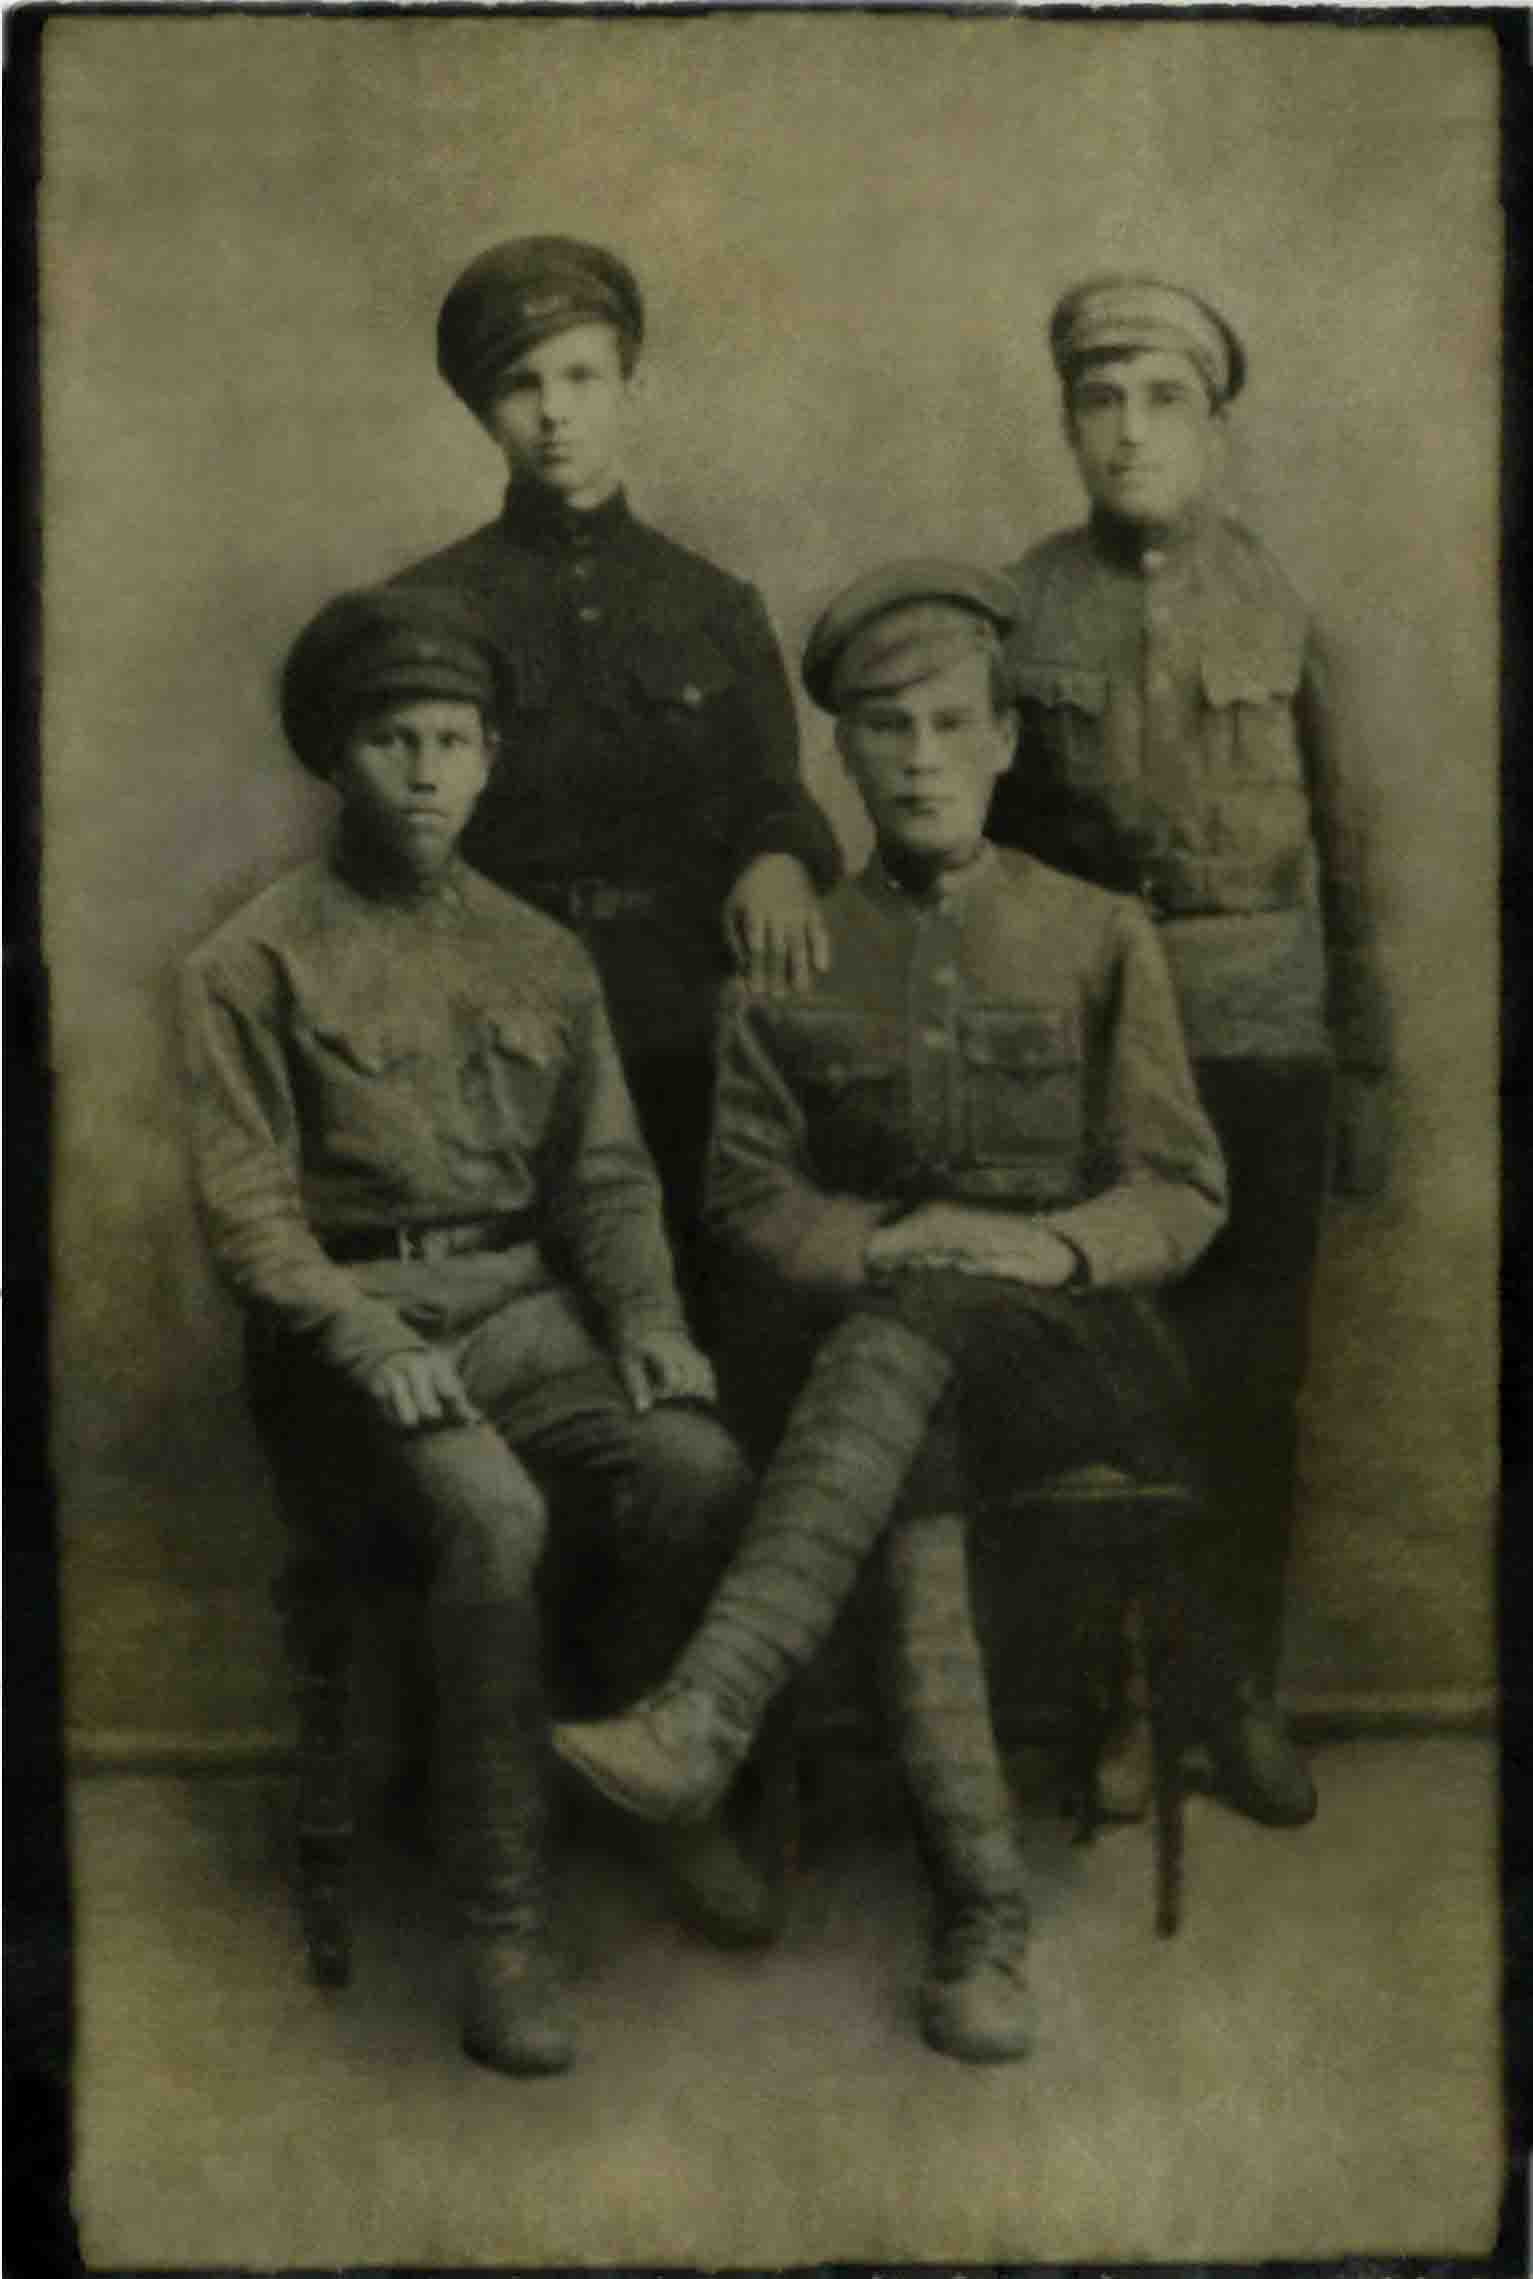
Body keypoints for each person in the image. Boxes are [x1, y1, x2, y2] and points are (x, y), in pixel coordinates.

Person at [553, 562, 1231, 2065]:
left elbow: (1182, 1188)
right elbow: (745, 1192)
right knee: (904, 1455)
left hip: (1075, 1351)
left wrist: (1042, 1249)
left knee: (899, 1347)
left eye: (950, 724)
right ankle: (982, 1923)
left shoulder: (1097, 930)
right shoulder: (790, 953)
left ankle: (706, 1708)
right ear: (842, 756)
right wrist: (885, 1241)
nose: (921, 758)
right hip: (887, 1372)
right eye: (884, 728)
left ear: (1005, 739)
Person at [182, 584, 777, 2082]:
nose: (427, 772)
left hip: (521, 1311)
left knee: (698, 1465)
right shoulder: (251, 961)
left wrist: (648, 1322)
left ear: (492, 757)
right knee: (494, 1513)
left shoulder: (542, 952)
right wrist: (363, 1333)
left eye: (454, 741)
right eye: (395, 740)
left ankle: (659, 1786)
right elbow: (251, 1219)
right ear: (339, 755)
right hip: (348, 1340)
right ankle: (503, 1922)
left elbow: (608, 1179)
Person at [988, 276, 1394, 1826]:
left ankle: (1236, 1696)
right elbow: (986, 865)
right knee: (1108, 1382)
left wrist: (1362, 1069)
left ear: (1214, 426)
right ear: (1067, 424)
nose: (1130, 431)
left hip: (1260, 1040)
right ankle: (1120, 1706)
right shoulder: (1019, 609)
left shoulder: (1280, 610)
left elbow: (1348, 861)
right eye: (1100, 400)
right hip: (1092, 1049)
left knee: (1248, 1384)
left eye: (1163, 400)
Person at [391, 235, 841, 1247]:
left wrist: (777, 857)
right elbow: (392, 831)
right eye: (522, 384)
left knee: (693, 1270)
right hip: (490, 1009)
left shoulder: (713, 604)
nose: (554, 412)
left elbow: (772, 789)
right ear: (484, 411)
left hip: (677, 1011)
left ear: (633, 387)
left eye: (582, 377)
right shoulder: (427, 609)